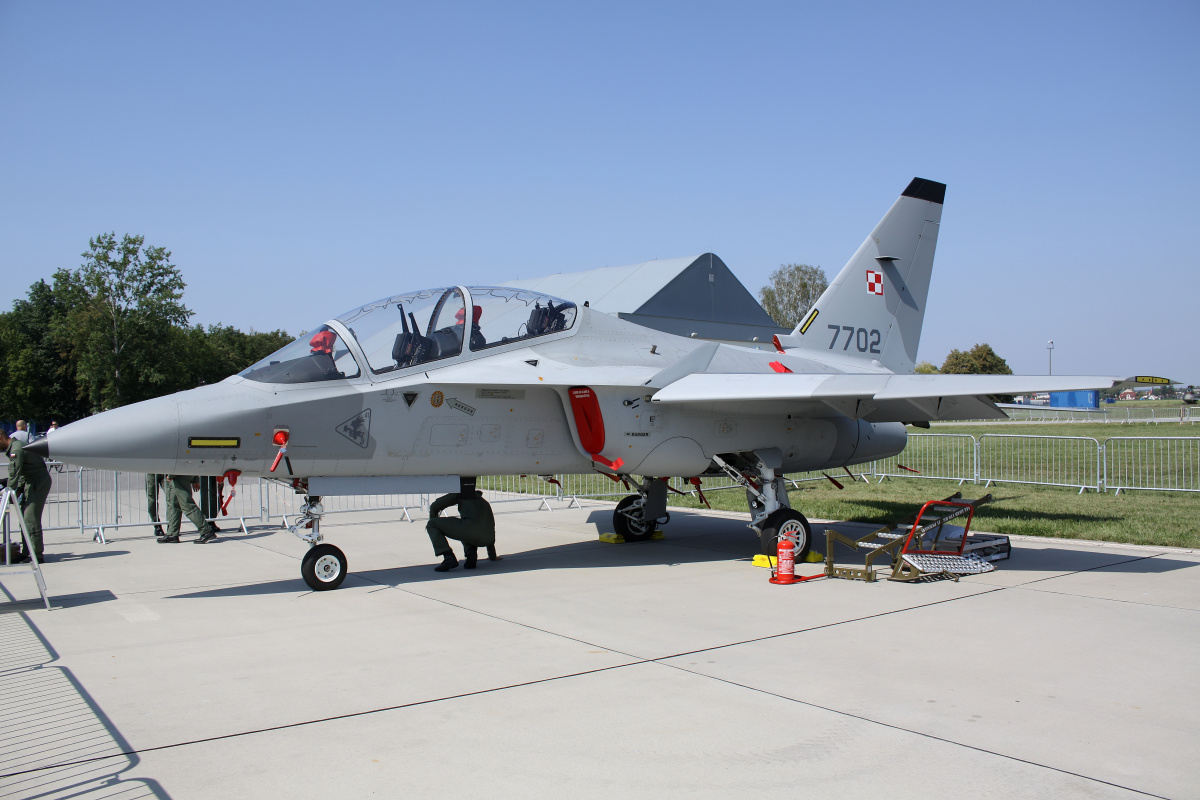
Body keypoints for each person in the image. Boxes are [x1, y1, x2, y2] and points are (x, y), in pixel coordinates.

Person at [425, 479, 499, 571]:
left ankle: (448, 557)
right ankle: (471, 554)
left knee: (432, 524)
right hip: (488, 539)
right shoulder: (483, 501)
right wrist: (492, 556)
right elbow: (487, 526)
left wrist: (435, 524)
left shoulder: (460, 493)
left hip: (471, 532)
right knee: (468, 524)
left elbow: (434, 506)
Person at [1, 428, 52, 563]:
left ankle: (36, 554)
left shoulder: (16, 449)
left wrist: (9, 491)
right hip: (30, 482)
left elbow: (14, 472)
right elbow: (23, 472)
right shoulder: (16, 446)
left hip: (38, 483)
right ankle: (27, 551)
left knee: (31, 517)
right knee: (24, 519)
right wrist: (18, 490)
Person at [161, 474, 217, 544]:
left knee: (188, 506)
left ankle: (206, 531)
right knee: (175, 505)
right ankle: (172, 534)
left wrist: (171, 475)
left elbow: (178, 463)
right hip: (180, 475)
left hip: (179, 475)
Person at [146, 473, 167, 537]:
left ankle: (172, 527)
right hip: (152, 471)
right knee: (152, 501)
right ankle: (157, 526)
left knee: (171, 499)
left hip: (166, 471)